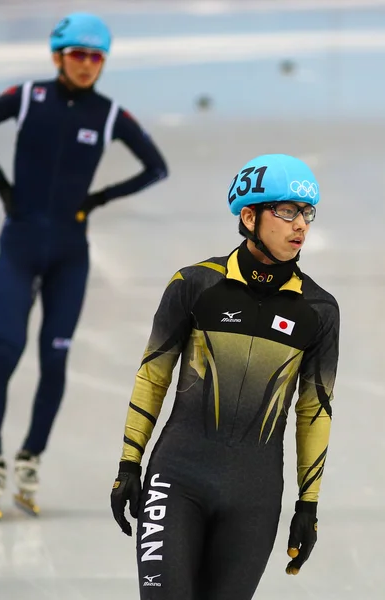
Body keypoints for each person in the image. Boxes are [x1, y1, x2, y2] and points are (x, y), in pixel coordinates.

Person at [0, 11, 168, 516]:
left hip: (70, 255)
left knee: (54, 359)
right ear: (59, 57)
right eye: (78, 55)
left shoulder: (109, 114)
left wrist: (97, 200)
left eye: (96, 57)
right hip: (20, 245)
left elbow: (156, 167)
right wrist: (2, 186)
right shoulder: (27, 98)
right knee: (7, 350)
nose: (87, 65)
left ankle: (30, 457)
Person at [110, 153, 340, 599]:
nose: (301, 226)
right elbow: (153, 376)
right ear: (249, 216)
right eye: (287, 211)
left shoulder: (318, 310)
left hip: (253, 498)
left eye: (307, 213)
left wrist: (308, 505)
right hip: (178, 482)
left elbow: (315, 410)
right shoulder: (195, 284)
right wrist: (128, 464)